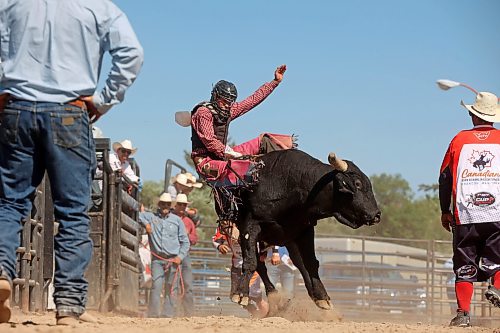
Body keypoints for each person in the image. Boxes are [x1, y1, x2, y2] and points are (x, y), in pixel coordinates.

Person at [0, 0, 143, 325]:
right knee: (73, 211)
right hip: (70, 110)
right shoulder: (98, 7)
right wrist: (104, 99)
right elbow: (132, 54)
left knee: (10, 203)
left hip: (18, 108)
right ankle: (68, 306)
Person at [191, 65, 292, 225]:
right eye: (224, 101)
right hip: (205, 162)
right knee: (243, 167)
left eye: (230, 102)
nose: (227, 106)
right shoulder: (202, 113)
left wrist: (274, 82)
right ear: (215, 97)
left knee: (265, 140)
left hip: (224, 157)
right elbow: (209, 141)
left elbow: (251, 101)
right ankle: (238, 214)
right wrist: (232, 153)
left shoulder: (229, 111)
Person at [439, 91, 500, 327]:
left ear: (473, 115)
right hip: (497, 213)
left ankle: (463, 314)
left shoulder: (458, 140)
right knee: (498, 259)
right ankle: (496, 286)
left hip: (466, 213)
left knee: (464, 261)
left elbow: (445, 177)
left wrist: (445, 210)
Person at [139, 193, 190, 318]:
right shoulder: (151, 217)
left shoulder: (177, 221)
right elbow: (138, 215)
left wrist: (180, 256)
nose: (165, 206)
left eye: (168, 204)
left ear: (170, 205)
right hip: (158, 259)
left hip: (173, 259)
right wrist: (146, 224)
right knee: (156, 285)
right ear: (159, 204)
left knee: (171, 288)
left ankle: (168, 314)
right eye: (163, 203)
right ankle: (153, 314)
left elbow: (185, 242)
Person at [212, 225, 269, 318]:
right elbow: (216, 238)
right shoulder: (226, 225)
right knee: (235, 296)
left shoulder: (253, 223)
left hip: (252, 267)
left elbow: (267, 239)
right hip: (237, 265)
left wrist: (269, 252)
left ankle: (269, 315)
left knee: (254, 296)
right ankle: (255, 313)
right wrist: (220, 246)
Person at [171, 193, 198, 317]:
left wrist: (188, 236)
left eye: (184, 205)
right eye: (180, 204)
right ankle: (172, 311)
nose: (182, 206)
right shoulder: (170, 219)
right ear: (175, 205)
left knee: (188, 285)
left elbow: (194, 238)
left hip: (185, 254)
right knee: (173, 285)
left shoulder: (188, 222)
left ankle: (189, 313)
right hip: (172, 254)